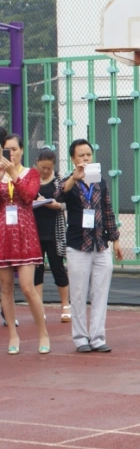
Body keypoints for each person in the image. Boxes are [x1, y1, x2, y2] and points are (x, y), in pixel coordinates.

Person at [56, 138, 123, 353]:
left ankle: (97, 337)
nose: (86, 158)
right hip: (78, 244)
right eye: (81, 155)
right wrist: (73, 179)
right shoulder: (69, 181)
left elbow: (108, 211)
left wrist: (116, 240)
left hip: (100, 243)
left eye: (88, 154)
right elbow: (58, 195)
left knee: (100, 292)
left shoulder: (100, 181)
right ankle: (80, 338)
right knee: (77, 293)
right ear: (73, 158)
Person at [1, 134, 50, 355]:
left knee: (29, 288)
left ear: (21, 150)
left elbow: (29, 196)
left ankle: (43, 333)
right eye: (6, 149)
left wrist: (13, 174)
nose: (10, 153)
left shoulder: (31, 174)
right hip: (3, 236)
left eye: (14, 149)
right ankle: (13, 334)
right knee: (6, 288)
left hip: (25, 235)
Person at [32, 148, 71, 325]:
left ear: (53, 166)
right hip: (34, 231)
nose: (45, 171)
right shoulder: (31, 179)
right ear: (37, 163)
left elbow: (65, 204)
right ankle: (39, 308)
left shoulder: (59, 182)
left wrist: (55, 205)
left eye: (48, 168)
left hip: (54, 232)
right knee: (36, 271)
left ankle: (65, 306)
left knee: (58, 269)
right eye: (42, 167)